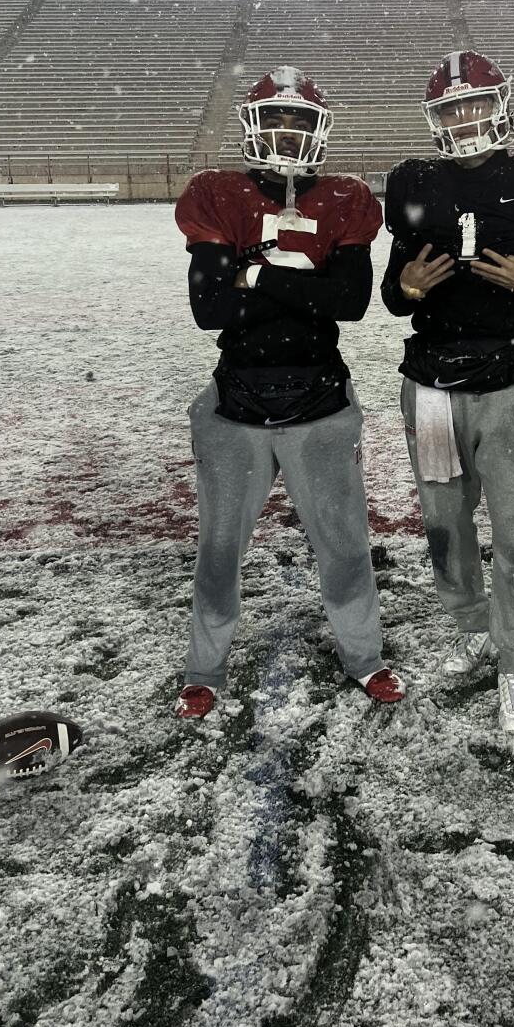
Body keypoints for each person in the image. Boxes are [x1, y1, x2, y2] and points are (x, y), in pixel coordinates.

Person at [172, 67, 405, 717]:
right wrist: (301, 279)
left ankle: (365, 658)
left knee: (344, 545)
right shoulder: (218, 193)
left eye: (297, 120)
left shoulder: (345, 199)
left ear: (318, 130)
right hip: (235, 403)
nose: (284, 131)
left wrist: (257, 272)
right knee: (220, 548)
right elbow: (210, 309)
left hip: (319, 399)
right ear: (251, 126)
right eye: (273, 118)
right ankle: (204, 670)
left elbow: (351, 302)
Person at [381, 51, 514, 735]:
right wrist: (406, 289)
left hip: (511, 385)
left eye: (474, 105)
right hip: (430, 389)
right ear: (435, 120)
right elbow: (392, 296)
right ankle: (470, 623)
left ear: (499, 105)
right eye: (451, 110)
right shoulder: (413, 183)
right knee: (445, 523)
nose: (465, 120)